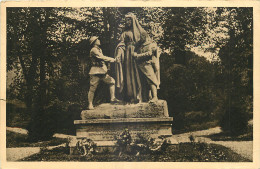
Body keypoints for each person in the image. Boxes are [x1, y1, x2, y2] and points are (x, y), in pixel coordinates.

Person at [114, 13, 145, 103]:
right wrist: (119, 54)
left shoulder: (139, 32)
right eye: (126, 20)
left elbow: (146, 42)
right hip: (128, 55)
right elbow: (121, 45)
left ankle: (140, 95)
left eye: (129, 20)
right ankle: (131, 96)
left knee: (139, 75)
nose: (127, 22)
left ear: (133, 21)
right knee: (129, 75)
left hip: (138, 54)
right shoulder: (124, 33)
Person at [88, 36, 119, 110]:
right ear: (94, 42)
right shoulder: (94, 50)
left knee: (112, 81)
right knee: (93, 88)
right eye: (97, 39)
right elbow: (102, 57)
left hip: (101, 71)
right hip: (95, 71)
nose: (99, 40)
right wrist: (113, 60)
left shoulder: (99, 49)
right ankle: (90, 104)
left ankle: (113, 98)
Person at [134, 31, 160, 102]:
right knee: (144, 82)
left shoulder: (151, 44)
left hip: (147, 64)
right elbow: (135, 53)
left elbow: (149, 54)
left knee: (151, 80)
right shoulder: (139, 45)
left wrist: (138, 55)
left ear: (145, 36)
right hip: (140, 65)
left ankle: (155, 97)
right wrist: (135, 53)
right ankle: (148, 97)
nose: (140, 38)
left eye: (142, 36)